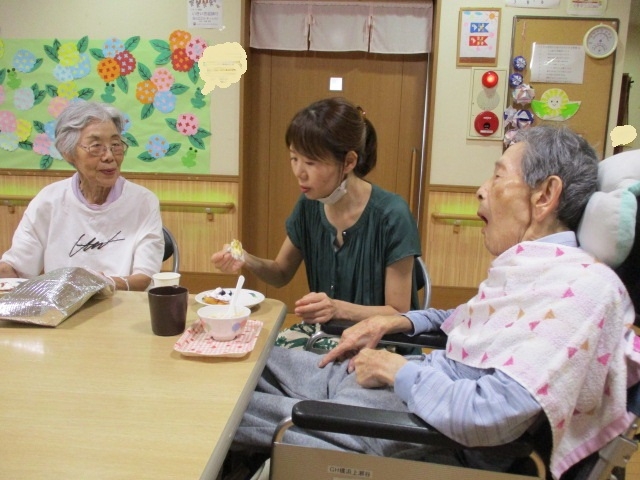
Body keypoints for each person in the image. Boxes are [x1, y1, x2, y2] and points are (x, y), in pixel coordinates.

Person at [224, 126, 640, 480]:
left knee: (224, 411)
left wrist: (396, 369)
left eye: (498, 176)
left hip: (413, 432)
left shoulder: (580, 291)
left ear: (545, 194)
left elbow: (491, 414)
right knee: (249, 354)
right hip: (399, 391)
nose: (481, 189)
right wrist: (397, 323)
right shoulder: (538, 270)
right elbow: (469, 320)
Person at [212, 97, 421, 349]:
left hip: (381, 342)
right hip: (324, 336)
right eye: (294, 158)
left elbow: (398, 312)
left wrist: (337, 308)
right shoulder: (309, 205)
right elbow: (280, 273)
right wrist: (246, 259)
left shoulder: (392, 214)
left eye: (311, 162)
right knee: (254, 356)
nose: (299, 172)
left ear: (349, 162)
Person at [0, 101, 164, 291]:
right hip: (62, 305)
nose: (109, 156)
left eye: (115, 145)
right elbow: (17, 267)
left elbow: (144, 278)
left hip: (123, 303)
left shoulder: (143, 201)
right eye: (96, 146)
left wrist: (100, 284)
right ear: (68, 153)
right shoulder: (49, 200)